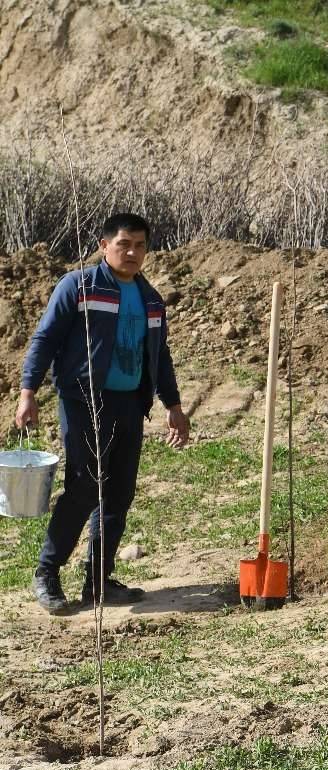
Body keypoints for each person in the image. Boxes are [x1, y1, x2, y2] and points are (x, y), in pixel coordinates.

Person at [14, 213, 190, 615]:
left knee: (119, 494)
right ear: (103, 245)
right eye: (123, 244)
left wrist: (173, 405)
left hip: (129, 404)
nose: (131, 252)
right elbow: (46, 339)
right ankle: (47, 572)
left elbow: (159, 358)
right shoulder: (80, 286)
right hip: (84, 401)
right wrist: (28, 392)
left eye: (140, 245)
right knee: (83, 487)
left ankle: (98, 582)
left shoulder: (150, 299)